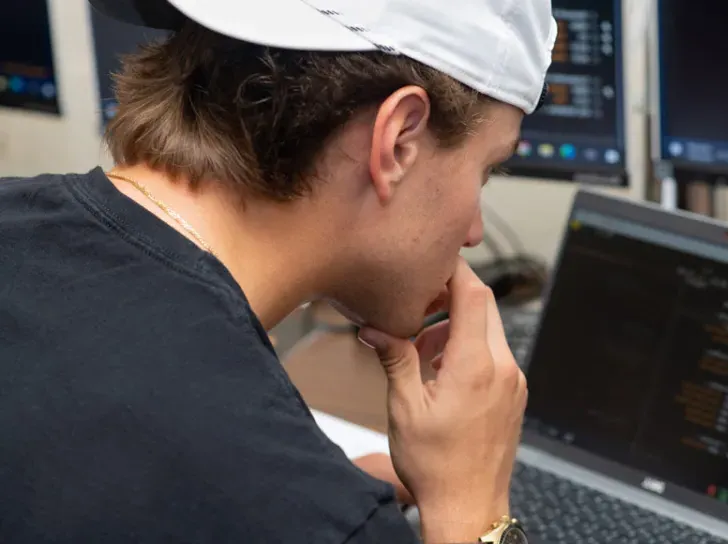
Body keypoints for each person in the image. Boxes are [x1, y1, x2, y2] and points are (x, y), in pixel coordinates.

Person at [0, 0, 556, 542]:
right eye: (486, 169)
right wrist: (471, 504)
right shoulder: (307, 513)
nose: (474, 232)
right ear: (398, 143)